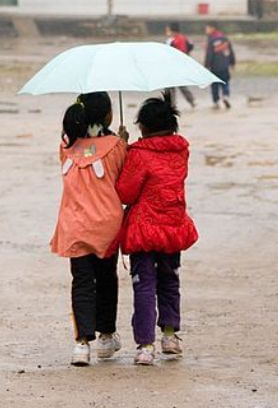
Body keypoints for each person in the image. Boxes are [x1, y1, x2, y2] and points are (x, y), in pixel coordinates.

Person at [116, 93, 199, 366]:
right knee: (170, 281)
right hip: (173, 227)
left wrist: (123, 149)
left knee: (144, 286)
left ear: (144, 127)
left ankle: (145, 346)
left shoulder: (139, 155)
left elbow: (126, 193)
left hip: (144, 230)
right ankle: (170, 335)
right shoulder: (181, 151)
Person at [51, 92, 128, 366]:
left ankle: (82, 344)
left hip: (74, 227)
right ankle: (106, 336)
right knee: (107, 279)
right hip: (106, 226)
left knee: (81, 282)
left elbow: (84, 147)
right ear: (108, 115)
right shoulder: (116, 146)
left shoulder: (66, 148)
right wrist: (124, 143)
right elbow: (123, 182)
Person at [203, 22, 236, 109]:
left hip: (214, 67)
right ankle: (225, 96)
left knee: (214, 85)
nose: (206, 30)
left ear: (212, 28)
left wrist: (206, 66)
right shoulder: (225, 38)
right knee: (225, 82)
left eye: (207, 28)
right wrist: (232, 62)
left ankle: (216, 102)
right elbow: (230, 51)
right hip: (225, 66)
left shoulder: (211, 40)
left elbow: (209, 55)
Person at [163, 22, 196, 108]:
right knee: (178, 85)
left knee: (174, 85)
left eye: (168, 30)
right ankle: (190, 101)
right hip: (175, 66)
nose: (166, 32)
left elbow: (180, 52)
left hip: (176, 66)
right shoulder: (176, 39)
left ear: (172, 30)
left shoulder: (177, 40)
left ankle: (172, 105)